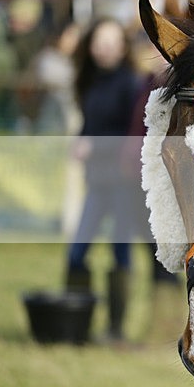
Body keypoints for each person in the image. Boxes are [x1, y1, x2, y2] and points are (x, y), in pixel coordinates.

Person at [64, 17, 142, 344]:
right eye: (100, 41)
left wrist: (92, 144)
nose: (105, 47)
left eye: (112, 41)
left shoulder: (131, 84)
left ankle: (115, 330)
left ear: (122, 47)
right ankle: (73, 325)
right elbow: (90, 123)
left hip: (122, 184)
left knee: (120, 254)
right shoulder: (90, 80)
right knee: (77, 251)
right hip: (96, 182)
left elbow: (130, 135)